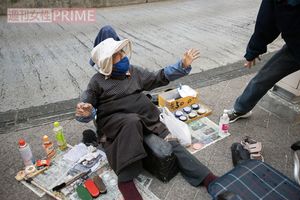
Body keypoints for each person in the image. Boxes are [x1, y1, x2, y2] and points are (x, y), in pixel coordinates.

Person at [76, 26, 218, 200]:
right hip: (116, 122)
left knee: (172, 145)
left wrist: (182, 65)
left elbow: (158, 76)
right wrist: (86, 110)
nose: (122, 58)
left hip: (146, 117)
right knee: (131, 122)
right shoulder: (97, 81)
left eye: (122, 53)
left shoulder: (134, 72)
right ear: (105, 62)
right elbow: (86, 103)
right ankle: (126, 180)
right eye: (115, 56)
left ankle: (209, 179)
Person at [226, 0, 300, 123]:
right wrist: (253, 51)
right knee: (264, 77)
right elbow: (266, 22)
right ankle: (240, 109)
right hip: (295, 48)